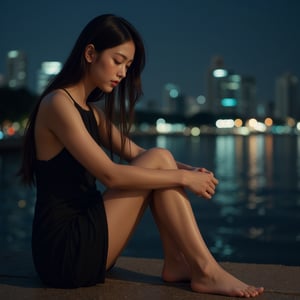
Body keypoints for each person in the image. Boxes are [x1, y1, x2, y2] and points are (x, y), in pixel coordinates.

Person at [19, 14, 264, 297]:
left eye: (128, 65)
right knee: (160, 160)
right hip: (63, 252)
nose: (123, 72)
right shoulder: (57, 103)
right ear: (90, 53)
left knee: (160, 158)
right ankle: (205, 270)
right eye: (118, 60)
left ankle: (178, 263)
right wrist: (182, 177)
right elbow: (111, 174)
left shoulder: (92, 113)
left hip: (87, 234)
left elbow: (140, 154)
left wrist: (189, 170)